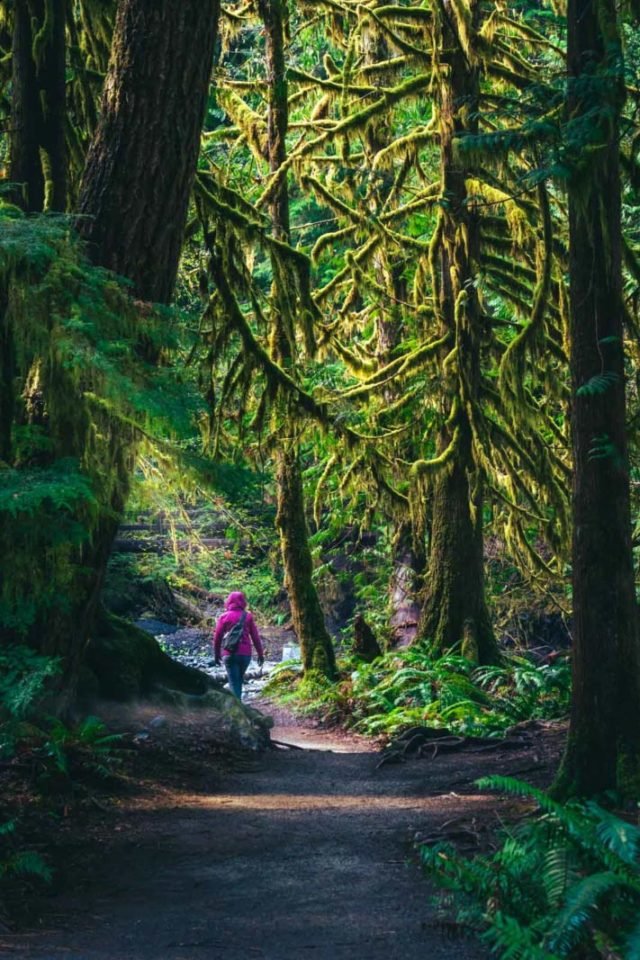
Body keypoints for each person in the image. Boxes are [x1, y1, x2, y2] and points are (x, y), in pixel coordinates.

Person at [213, 591, 264, 700]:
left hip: (229, 654)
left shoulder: (223, 617)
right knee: (238, 681)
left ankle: (236, 710)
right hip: (245, 655)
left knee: (233, 682)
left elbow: (217, 638)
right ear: (242, 602)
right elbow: (255, 637)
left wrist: (217, 655)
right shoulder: (248, 616)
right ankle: (239, 707)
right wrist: (260, 654)